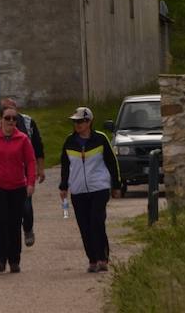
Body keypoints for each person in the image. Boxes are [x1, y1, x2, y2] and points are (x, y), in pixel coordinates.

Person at [59, 106, 122, 273]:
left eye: (81, 121)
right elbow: (65, 165)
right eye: (75, 122)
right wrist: (63, 185)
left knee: (96, 221)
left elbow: (111, 163)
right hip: (78, 190)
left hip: (99, 188)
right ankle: (92, 260)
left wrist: (116, 185)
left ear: (89, 122)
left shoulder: (100, 139)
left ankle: (103, 258)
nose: (77, 124)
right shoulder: (69, 141)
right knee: (84, 226)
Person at [0, 106, 36, 273]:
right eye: (7, 118)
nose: (11, 121)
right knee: (1, 221)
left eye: (14, 118)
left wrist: (31, 183)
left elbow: (30, 162)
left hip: (18, 187)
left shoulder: (23, 139)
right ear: (1, 119)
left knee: (15, 223)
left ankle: (14, 260)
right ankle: (0, 259)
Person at [0, 97, 45, 247]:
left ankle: (27, 229)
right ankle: (9, 237)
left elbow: (38, 146)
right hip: (4, 175)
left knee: (26, 206)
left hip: (25, 172)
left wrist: (40, 168)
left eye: (11, 110)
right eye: (5, 112)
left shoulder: (28, 122)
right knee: (6, 211)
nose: (9, 117)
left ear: (16, 109)